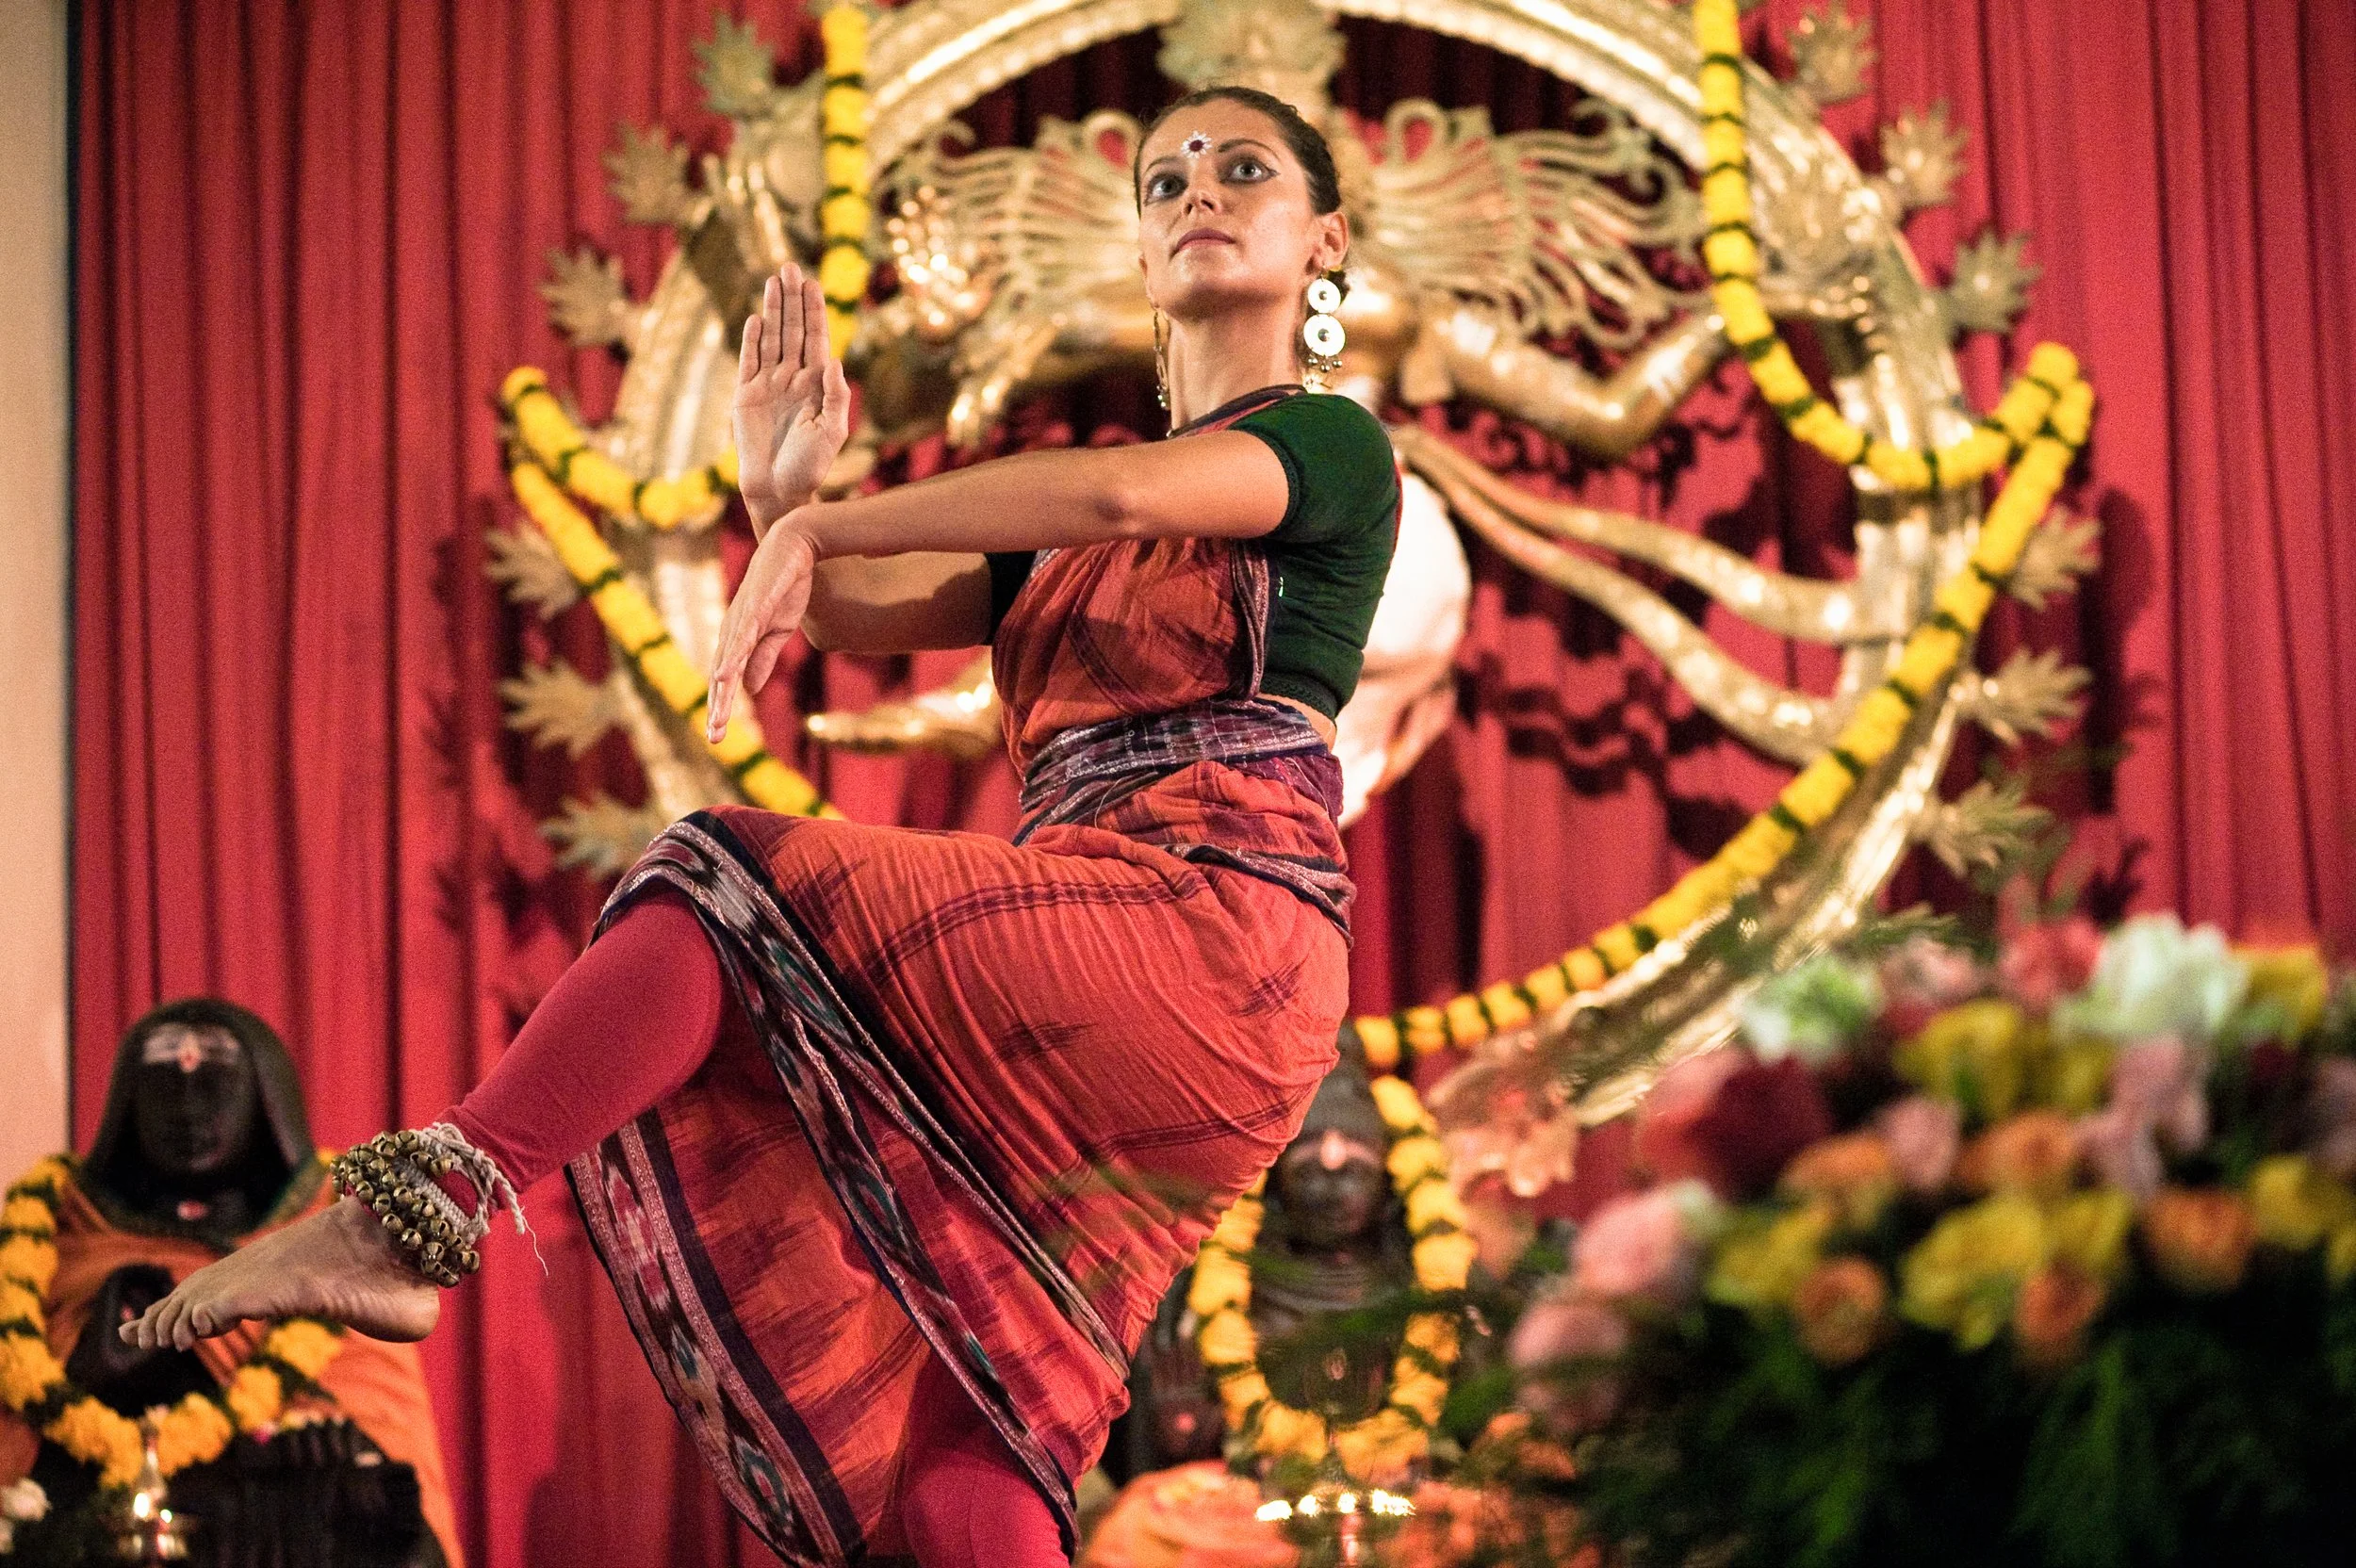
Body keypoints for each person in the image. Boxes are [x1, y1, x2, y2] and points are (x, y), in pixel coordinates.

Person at [123, 83, 1400, 1568]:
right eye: (1165, 176)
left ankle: (427, 1208)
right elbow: (860, 616)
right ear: (1135, 250)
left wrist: (823, 528)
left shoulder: (1327, 444)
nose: (1198, 190)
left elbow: (1122, 489)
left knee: (724, 871)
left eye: (1243, 170)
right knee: (977, 1441)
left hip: (1207, 929)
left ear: (1326, 241)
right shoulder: (1053, 533)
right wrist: (776, 493)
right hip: (1110, 961)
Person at [1, 1000, 458, 1567]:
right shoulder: (63, 1231)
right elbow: (22, 1430)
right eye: (164, 1088)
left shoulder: (337, 1235)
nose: (188, 1111)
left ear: (267, 1099)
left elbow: (381, 1436)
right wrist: (92, 1367)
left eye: (215, 1087)